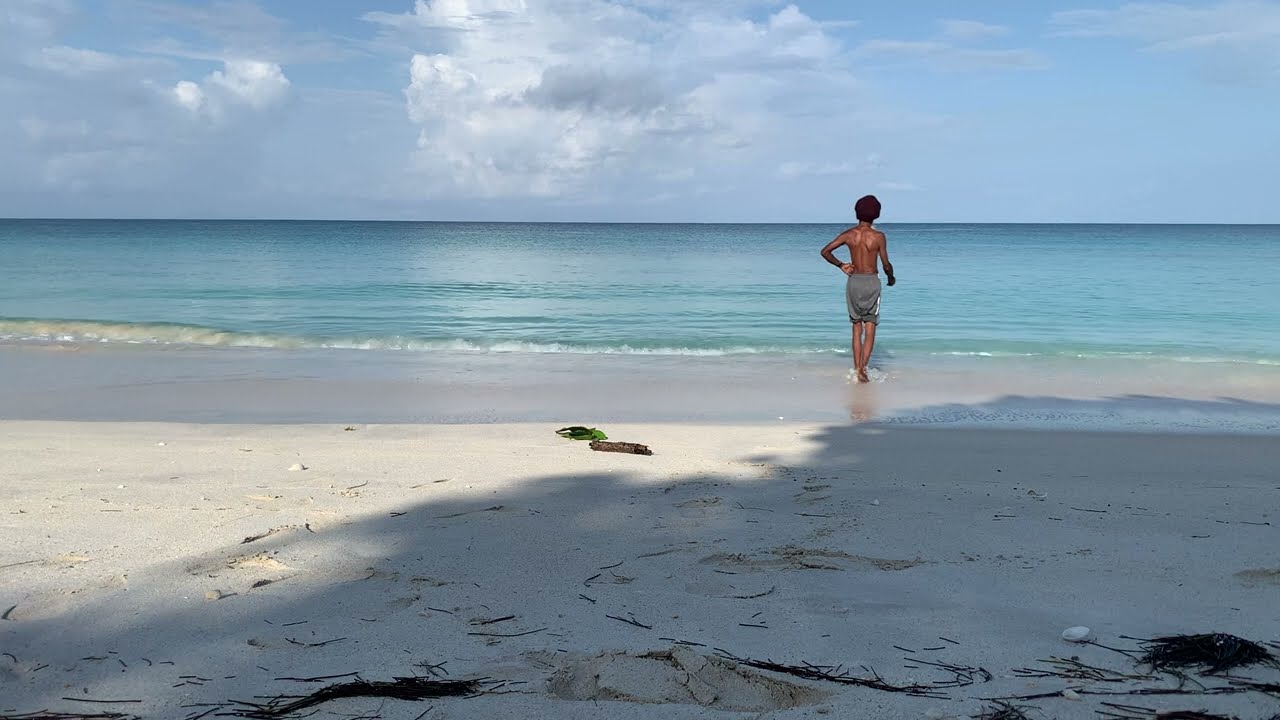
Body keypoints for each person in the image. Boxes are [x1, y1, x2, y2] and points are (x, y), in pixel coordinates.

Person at [820, 195, 895, 383]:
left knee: (856, 328)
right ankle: (863, 369)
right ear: (876, 214)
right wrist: (891, 277)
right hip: (871, 282)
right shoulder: (878, 237)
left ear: (856, 213)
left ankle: (857, 369)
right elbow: (885, 264)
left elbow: (825, 251)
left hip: (854, 282)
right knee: (870, 327)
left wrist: (841, 265)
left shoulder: (849, 234)